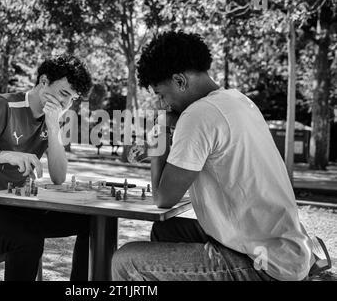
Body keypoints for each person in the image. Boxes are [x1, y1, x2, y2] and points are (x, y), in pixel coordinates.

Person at [111, 31, 317, 281]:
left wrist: (158, 143)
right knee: (168, 229)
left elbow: (163, 198)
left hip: (265, 266)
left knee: (125, 260)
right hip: (285, 249)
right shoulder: (238, 100)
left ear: (180, 81)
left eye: (161, 95)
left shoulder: (198, 115)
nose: (163, 106)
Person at [0, 54, 92, 281]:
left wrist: (53, 127)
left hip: (14, 208)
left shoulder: (49, 119)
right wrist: (4, 155)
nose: (65, 103)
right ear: (43, 81)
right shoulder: (3, 106)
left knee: (91, 222)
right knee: (27, 239)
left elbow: (59, 177)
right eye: (63, 93)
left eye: (71, 99)